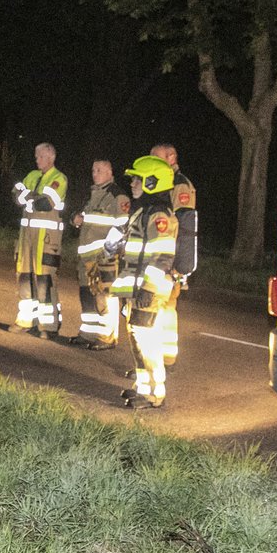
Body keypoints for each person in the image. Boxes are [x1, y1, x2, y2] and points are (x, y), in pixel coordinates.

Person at [103, 155, 179, 408]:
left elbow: (163, 256)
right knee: (137, 338)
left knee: (148, 341)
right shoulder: (143, 211)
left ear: (153, 182)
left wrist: (148, 288)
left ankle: (155, 393)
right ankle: (143, 387)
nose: (133, 183)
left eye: (138, 179)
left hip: (149, 288)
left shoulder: (160, 216)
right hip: (136, 286)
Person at [9, 142, 68, 337]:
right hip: (26, 236)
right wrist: (30, 197)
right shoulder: (31, 176)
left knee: (44, 280)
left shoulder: (59, 178)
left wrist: (28, 197)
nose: (37, 160)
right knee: (24, 277)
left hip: (47, 239)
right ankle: (26, 320)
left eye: (40, 156)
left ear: (51, 158)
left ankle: (48, 327)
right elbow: (16, 195)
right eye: (36, 156)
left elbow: (45, 203)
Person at [71, 159, 128, 350]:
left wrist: (108, 252)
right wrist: (76, 219)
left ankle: (107, 336)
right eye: (93, 170)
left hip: (104, 258)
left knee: (106, 296)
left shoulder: (116, 196)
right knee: (87, 295)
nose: (95, 173)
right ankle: (88, 333)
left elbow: (123, 226)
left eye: (99, 170)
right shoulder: (94, 195)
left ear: (110, 173)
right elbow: (85, 218)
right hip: (86, 257)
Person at [150, 142, 198, 366]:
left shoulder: (179, 185)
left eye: (155, 157)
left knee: (164, 306)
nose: (150, 161)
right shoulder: (161, 182)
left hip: (169, 258)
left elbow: (185, 227)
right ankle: (159, 357)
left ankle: (162, 359)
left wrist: (179, 264)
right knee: (157, 305)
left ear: (171, 158)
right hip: (158, 256)